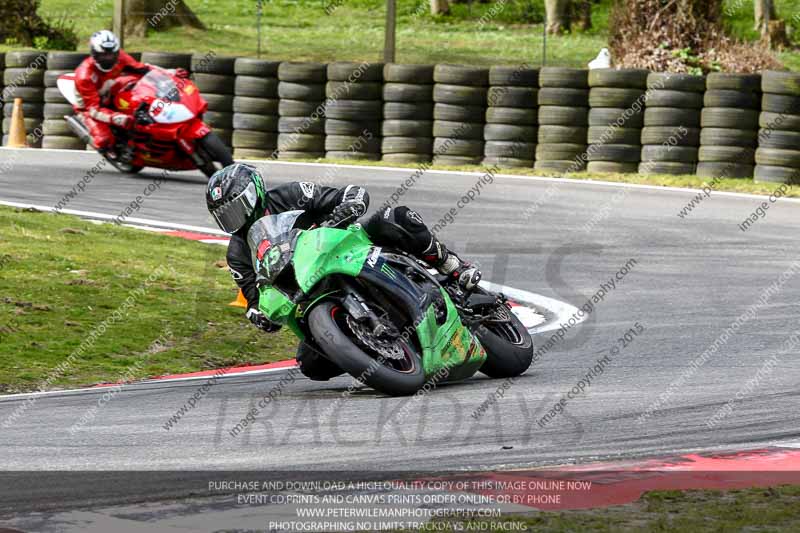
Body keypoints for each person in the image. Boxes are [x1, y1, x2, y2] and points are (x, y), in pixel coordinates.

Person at [206, 163, 482, 380]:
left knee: (395, 218)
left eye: (235, 208)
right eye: (225, 216)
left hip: (344, 247)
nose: (233, 218)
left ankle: (454, 267)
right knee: (311, 365)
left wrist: (347, 206)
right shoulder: (237, 252)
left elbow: (347, 194)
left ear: (254, 193)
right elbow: (253, 296)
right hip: (308, 288)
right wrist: (258, 313)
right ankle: (380, 356)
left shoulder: (290, 194)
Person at [73, 30, 189, 155]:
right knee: (104, 140)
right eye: (103, 55)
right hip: (89, 106)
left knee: (139, 93)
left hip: (111, 87)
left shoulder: (121, 58)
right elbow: (93, 109)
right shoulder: (85, 76)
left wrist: (170, 72)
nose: (108, 58)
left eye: (111, 54)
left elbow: (143, 69)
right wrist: (117, 118)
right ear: (94, 54)